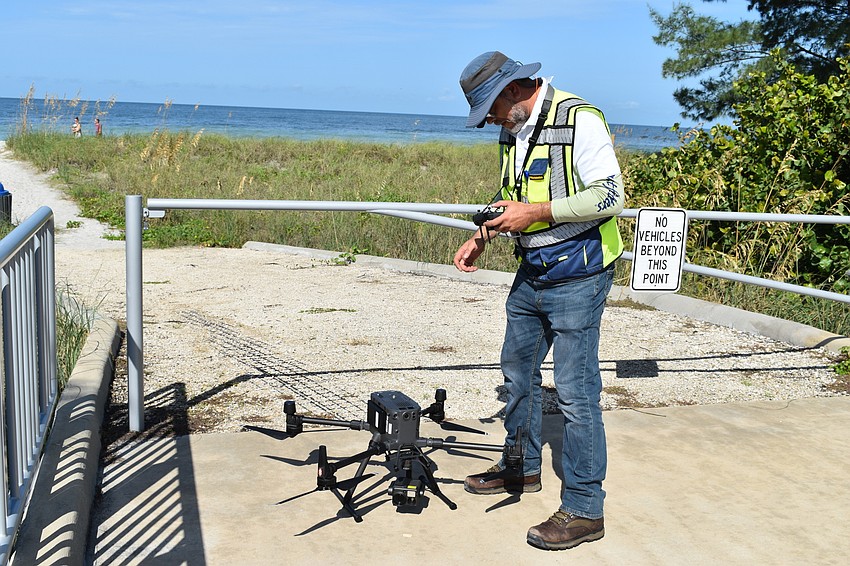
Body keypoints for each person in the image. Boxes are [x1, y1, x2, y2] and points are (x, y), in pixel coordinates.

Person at [454, 51, 624, 551]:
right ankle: (523, 468)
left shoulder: (580, 118)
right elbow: (514, 194)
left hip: (581, 272)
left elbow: (611, 196)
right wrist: (485, 234)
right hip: (533, 269)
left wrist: (539, 212)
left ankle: (584, 508)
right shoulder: (515, 127)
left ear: (512, 90)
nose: (488, 121)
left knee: (575, 391)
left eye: (489, 108)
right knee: (516, 371)